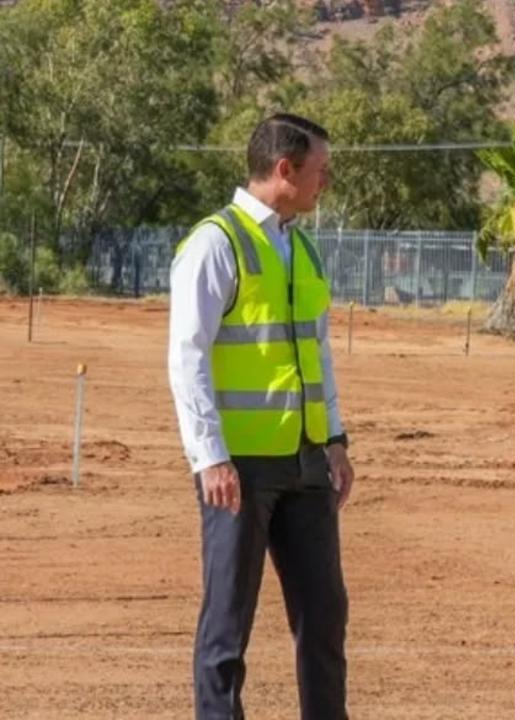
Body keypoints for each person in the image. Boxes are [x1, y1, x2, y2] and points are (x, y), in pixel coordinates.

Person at [168, 113, 353, 720]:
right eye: (320, 171)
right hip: (239, 470)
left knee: (325, 618)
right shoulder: (215, 243)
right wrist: (210, 456)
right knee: (227, 627)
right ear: (284, 170)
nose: (326, 182)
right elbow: (187, 357)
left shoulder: (301, 247)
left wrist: (335, 441)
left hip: (305, 464)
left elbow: (316, 352)